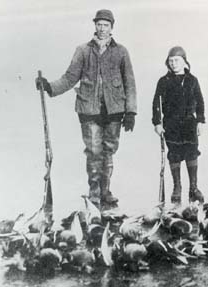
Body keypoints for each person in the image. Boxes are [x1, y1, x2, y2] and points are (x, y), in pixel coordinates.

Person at [36, 9, 137, 210]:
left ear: (112, 27)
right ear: (94, 26)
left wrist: (131, 111)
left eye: (106, 25)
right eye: (99, 24)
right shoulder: (83, 50)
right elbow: (70, 77)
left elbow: (130, 82)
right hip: (89, 110)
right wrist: (49, 87)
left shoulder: (121, 51)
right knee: (93, 151)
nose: (102, 28)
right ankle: (94, 193)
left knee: (108, 151)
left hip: (114, 111)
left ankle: (105, 191)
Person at [152, 46, 205, 205]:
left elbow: (200, 102)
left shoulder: (192, 80)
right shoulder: (163, 81)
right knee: (174, 153)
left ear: (184, 62)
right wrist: (157, 123)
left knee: (191, 153)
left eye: (177, 60)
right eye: (171, 61)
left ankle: (193, 188)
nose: (174, 64)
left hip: (189, 123)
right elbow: (156, 103)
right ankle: (177, 187)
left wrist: (200, 121)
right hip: (171, 124)